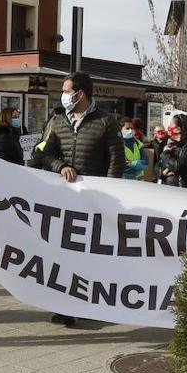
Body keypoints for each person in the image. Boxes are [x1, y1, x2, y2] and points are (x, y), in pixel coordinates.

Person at [32, 71, 124, 326]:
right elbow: (45, 154)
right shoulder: (58, 121)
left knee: (89, 256)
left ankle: (89, 304)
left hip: (94, 202)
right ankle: (63, 305)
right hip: (64, 200)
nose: (63, 96)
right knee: (62, 254)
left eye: (66, 90)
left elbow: (117, 160)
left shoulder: (106, 122)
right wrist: (60, 166)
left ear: (80, 94)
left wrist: (107, 195)